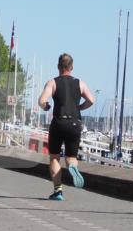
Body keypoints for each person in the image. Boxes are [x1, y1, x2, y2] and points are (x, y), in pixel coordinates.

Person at [38, 53, 95, 201]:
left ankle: (58, 191)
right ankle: (73, 167)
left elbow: (42, 100)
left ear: (58, 67)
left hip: (59, 123)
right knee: (71, 157)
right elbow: (91, 100)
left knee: (55, 158)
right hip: (75, 123)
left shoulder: (52, 83)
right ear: (72, 67)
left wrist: (45, 106)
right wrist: (79, 107)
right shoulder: (80, 83)